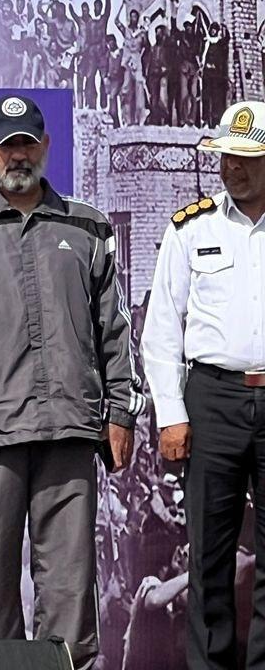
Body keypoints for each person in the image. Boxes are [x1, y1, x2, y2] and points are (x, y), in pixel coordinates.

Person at [0, 95, 144, 670]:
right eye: (7, 145)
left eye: (28, 145)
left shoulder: (87, 226)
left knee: (70, 588)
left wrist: (121, 412)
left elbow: (115, 329)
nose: (18, 156)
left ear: (46, 147)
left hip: (72, 428)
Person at [141, 99, 265, 670]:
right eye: (225, 157)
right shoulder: (192, 227)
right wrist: (171, 413)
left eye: (246, 158)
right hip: (212, 399)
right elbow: (162, 327)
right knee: (209, 560)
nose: (232, 168)